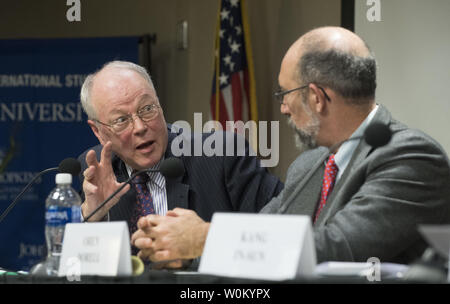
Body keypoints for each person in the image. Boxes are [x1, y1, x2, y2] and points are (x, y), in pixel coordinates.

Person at [131, 26, 450, 266]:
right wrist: (175, 247)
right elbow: (258, 236)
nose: (283, 108)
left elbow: (337, 248)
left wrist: (204, 238)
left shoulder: (412, 157)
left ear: (317, 97)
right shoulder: (310, 164)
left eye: (285, 94)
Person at [77, 61, 283, 257]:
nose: (140, 127)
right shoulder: (96, 172)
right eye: (121, 120)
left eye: (147, 109)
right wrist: (92, 218)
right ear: (98, 131)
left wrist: (205, 240)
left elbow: (282, 230)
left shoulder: (221, 155)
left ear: (160, 105)